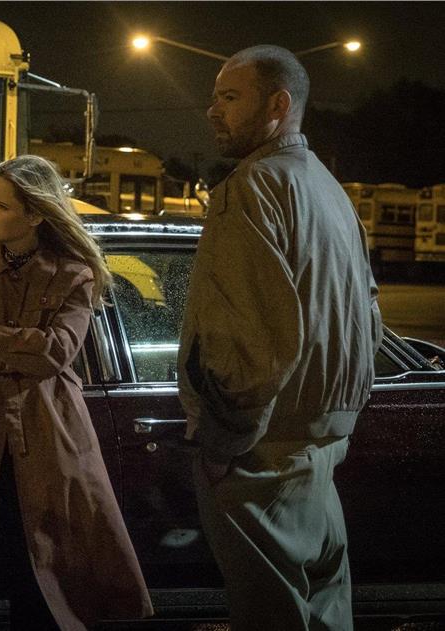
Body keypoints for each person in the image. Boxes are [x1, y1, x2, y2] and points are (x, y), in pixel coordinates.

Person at [178, 46, 383, 630]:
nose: (212, 110)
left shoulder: (251, 187)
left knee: (270, 614)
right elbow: (368, 320)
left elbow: (246, 338)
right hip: (322, 448)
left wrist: (222, 444)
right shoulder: (330, 189)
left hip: (263, 455)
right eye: (215, 97)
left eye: (229, 97)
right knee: (325, 612)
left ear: (278, 104)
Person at [0, 155, 153, 630]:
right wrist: (19, 348)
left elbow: (56, 353)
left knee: (47, 562)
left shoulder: (73, 273)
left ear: (35, 214)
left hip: (47, 432)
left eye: (2, 206)